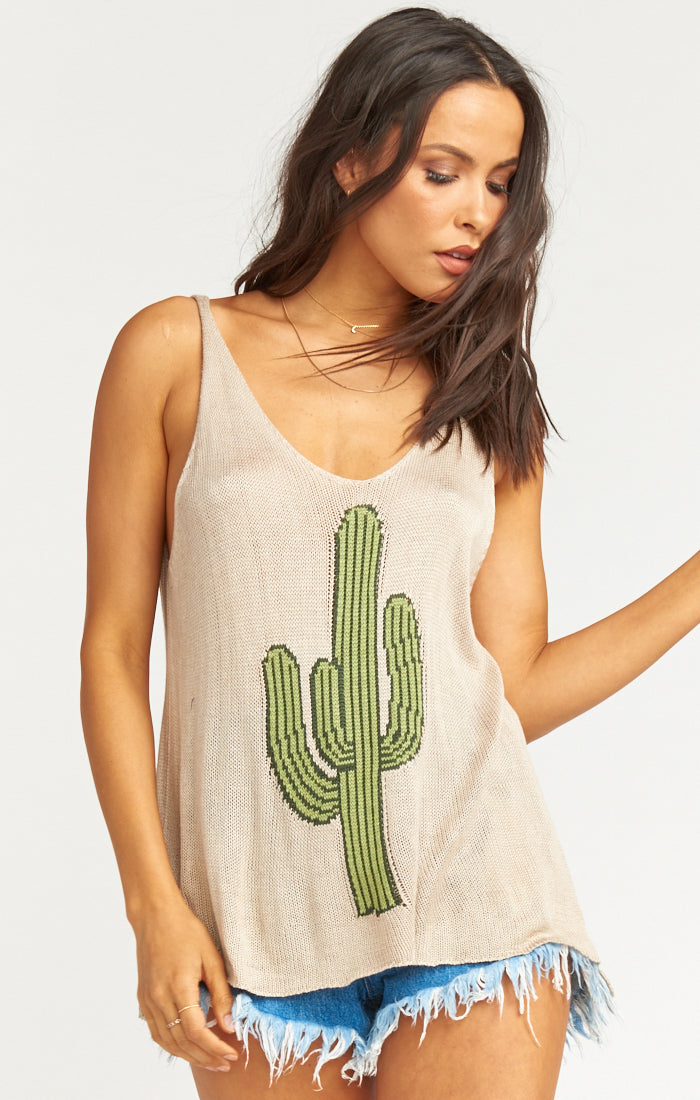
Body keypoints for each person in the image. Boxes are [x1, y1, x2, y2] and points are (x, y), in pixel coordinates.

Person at [79, 7, 699, 1099]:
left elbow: (512, 686)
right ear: (351, 158)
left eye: (500, 183)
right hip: (253, 929)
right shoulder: (177, 353)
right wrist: (153, 907)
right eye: (442, 171)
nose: (476, 213)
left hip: (478, 906)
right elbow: (112, 649)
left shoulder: (489, 398)